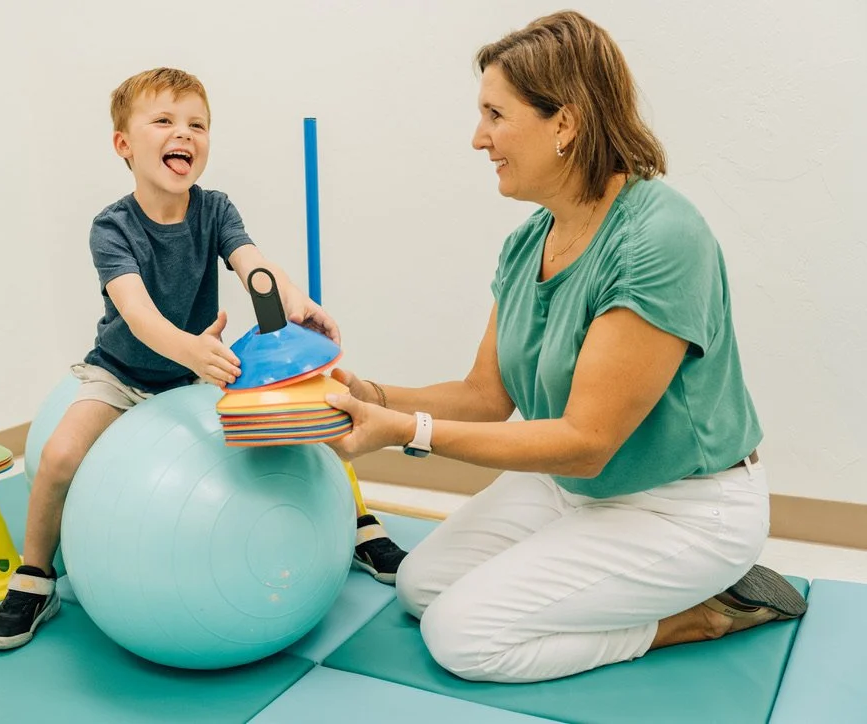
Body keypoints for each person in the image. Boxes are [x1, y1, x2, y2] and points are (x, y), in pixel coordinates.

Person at [324, 11, 807, 684]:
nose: (477, 138)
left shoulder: (659, 239)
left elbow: (588, 439)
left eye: (495, 114)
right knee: (419, 588)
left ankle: (698, 612)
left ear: (565, 123)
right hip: (573, 491)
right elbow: (485, 397)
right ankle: (600, 573)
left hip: (685, 506)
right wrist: (365, 396)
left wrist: (404, 432)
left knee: (462, 636)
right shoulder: (530, 241)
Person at [0, 67, 406, 651]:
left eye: (197, 124)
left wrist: (293, 302)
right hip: (123, 374)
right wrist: (193, 351)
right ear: (124, 145)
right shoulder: (112, 227)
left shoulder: (214, 209)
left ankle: (357, 525)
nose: (185, 134)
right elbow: (137, 314)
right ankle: (34, 578)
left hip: (198, 370)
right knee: (57, 456)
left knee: (301, 415)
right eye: (164, 121)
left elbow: (252, 265)